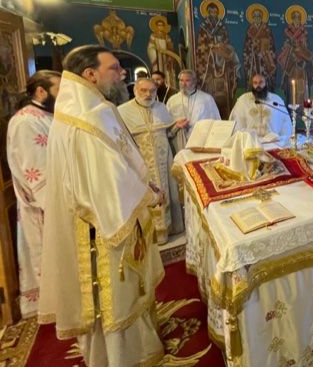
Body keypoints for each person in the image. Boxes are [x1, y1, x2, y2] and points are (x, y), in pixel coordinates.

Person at [38, 45, 165, 367]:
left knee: (123, 291)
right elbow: (108, 181)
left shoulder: (86, 109)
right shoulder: (88, 118)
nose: (122, 74)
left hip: (104, 215)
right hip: (104, 223)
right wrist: (148, 195)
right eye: (114, 68)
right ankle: (122, 358)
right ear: (90, 74)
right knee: (114, 296)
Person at [6, 70, 61, 317]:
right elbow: (35, 170)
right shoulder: (25, 121)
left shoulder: (50, 115)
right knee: (49, 258)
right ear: (41, 91)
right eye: (59, 89)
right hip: (44, 205)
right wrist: (56, 203)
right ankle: (56, 307)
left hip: (60, 198)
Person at [119, 78, 187, 244]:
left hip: (163, 159)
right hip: (140, 164)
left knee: (167, 191)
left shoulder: (161, 108)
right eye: (143, 90)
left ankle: (167, 229)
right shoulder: (123, 111)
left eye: (152, 91)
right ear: (135, 90)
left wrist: (176, 127)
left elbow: (168, 133)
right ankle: (149, 234)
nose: (148, 94)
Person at [195, 1, 240, 119]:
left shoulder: (222, 26)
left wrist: (222, 47)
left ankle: (226, 115)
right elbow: (200, 46)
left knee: (224, 91)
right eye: (211, 12)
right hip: (209, 64)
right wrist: (210, 47)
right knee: (211, 90)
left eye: (215, 12)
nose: (213, 14)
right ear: (207, 13)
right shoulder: (204, 27)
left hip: (222, 64)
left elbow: (226, 42)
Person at [229, 73, 292, 146]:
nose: (258, 86)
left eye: (261, 82)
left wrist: (283, 140)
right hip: (250, 143)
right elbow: (236, 122)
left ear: (266, 83)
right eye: (255, 83)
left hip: (272, 142)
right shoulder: (243, 100)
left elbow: (285, 123)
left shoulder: (276, 100)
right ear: (252, 85)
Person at [166, 69, 221, 151]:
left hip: (201, 141)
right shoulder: (172, 100)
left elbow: (216, 121)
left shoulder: (206, 99)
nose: (183, 84)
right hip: (179, 141)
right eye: (181, 80)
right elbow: (167, 125)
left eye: (187, 80)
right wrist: (176, 127)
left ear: (194, 82)